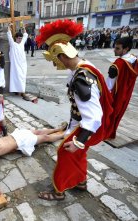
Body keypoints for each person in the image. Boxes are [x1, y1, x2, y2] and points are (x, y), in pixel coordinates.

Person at [35, 19, 113, 200]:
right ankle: (81, 181)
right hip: (79, 122)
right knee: (79, 155)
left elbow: (94, 116)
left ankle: (59, 191)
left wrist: (79, 141)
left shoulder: (81, 79)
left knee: (65, 152)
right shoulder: (83, 65)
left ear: (62, 55)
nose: (55, 65)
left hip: (84, 126)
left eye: (56, 60)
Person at [0, 123, 67, 200]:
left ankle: (58, 128)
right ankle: (62, 135)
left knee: (38, 131)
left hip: (16, 135)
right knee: (44, 137)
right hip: (21, 142)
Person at [106, 37, 138, 139]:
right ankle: (111, 132)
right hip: (127, 92)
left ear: (126, 48)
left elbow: (109, 85)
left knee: (109, 113)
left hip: (116, 94)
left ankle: (105, 133)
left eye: (117, 48)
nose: (114, 50)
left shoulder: (118, 64)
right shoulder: (134, 59)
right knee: (118, 113)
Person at [7, 23, 30, 100]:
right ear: (15, 38)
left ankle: (21, 91)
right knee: (17, 78)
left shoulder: (22, 43)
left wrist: (23, 28)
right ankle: (21, 92)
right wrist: (9, 27)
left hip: (23, 64)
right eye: (18, 38)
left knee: (22, 77)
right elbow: (9, 36)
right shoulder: (13, 44)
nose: (20, 39)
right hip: (16, 65)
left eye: (20, 38)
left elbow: (25, 35)